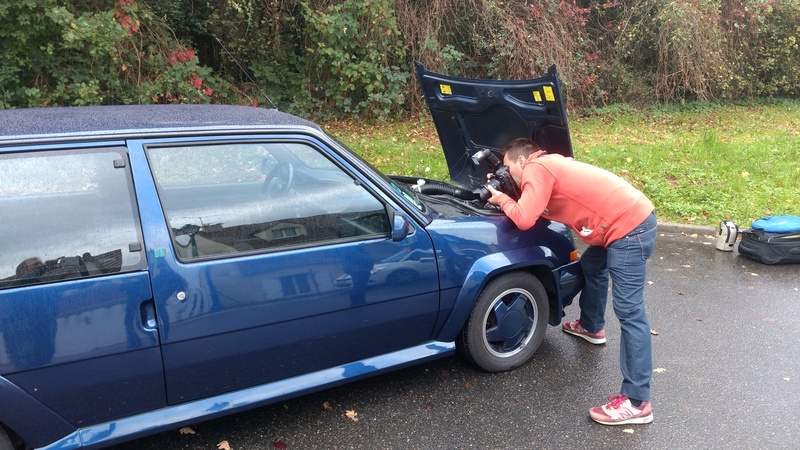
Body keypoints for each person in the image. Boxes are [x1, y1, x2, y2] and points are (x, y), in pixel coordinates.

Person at [485, 137, 657, 426]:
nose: (507, 174)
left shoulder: (538, 168)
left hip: (629, 228)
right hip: (622, 222)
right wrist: (509, 192)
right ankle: (591, 327)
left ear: (522, 161)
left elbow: (525, 219)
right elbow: (533, 205)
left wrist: (501, 198)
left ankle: (637, 401)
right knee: (591, 266)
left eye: (507, 167)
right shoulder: (549, 166)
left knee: (630, 312)